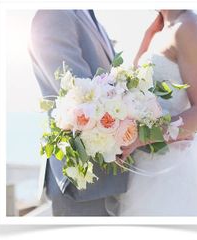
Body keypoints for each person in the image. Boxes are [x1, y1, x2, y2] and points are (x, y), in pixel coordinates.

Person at [111, 10, 197, 216]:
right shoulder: (159, 29)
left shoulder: (188, 27)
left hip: (167, 172)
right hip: (143, 170)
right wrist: (147, 37)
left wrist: (141, 138)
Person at [29, 10, 129, 216]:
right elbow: (81, 97)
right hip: (81, 183)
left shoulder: (89, 15)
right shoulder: (54, 14)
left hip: (107, 178)